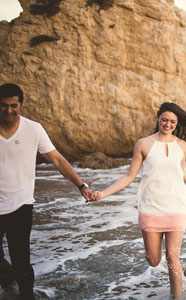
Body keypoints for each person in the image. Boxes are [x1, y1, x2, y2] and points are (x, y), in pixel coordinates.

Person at [88, 102, 186, 298]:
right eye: (165, 120)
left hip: (177, 205)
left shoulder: (181, 145)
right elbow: (129, 176)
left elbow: (181, 171)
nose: (168, 124)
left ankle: (175, 297)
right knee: (153, 259)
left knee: (172, 256)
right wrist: (103, 194)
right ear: (158, 119)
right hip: (151, 207)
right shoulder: (144, 144)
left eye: (172, 122)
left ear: (177, 124)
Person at [0, 83, 96, 299]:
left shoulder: (33, 129)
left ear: (21, 105)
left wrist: (81, 185)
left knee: (21, 260)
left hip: (20, 204)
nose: (8, 111)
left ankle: (26, 296)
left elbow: (57, 160)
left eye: (13, 106)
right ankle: (8, 280)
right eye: (4, 106)